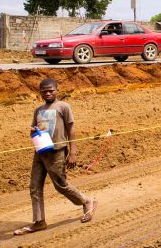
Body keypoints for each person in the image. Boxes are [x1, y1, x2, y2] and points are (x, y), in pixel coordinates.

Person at [14, 78, 97, 235]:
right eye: (44, 91)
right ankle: (39, 221)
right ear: (40, 93)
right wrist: (33, 131)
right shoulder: (38, 110)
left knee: (60, 184)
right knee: (34, 186)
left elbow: (71, 129)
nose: (48, 93)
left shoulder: (64, 107)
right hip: (40, 150)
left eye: (51, 90)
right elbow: (33, 129)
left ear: (57, 90)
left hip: (57, 151)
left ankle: (86, 200)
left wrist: (73, 152)